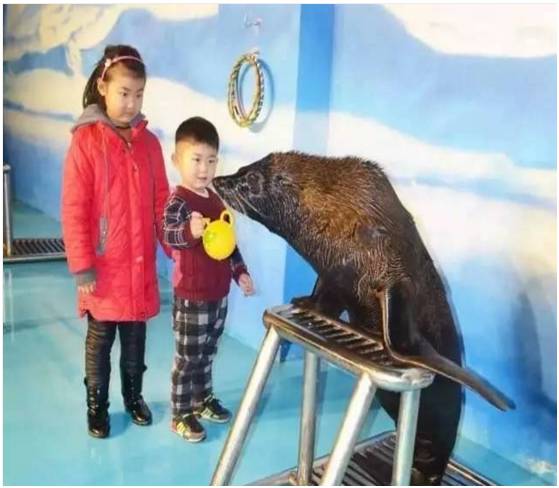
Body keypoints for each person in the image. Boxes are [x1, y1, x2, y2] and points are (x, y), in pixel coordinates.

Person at [61, 44, 170, 438]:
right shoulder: (86, 141)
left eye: (138, 94)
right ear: (103, 87)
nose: (131, 103)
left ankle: (134, 397)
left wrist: (176, 243)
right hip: (104, 269)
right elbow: (74, 208)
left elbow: (161, 202)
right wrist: (82, 266)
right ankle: (97, 407)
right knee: (100, 341)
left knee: (136, 340)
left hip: (139, 266)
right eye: (124, 93)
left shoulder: (150, 143)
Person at [163, 116, 255, 442]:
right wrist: (190, 230)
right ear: (177, 160)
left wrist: (240, 271)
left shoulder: (215, 200)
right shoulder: (178, 202)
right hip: (191, 296)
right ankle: (180, 413)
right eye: (196, 159)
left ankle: (201, 400)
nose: (204, 169)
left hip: (218, 295)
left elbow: (228, 243)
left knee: (207, 353)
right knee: (187, 358)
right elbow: (169, 236)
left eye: (211, 160)